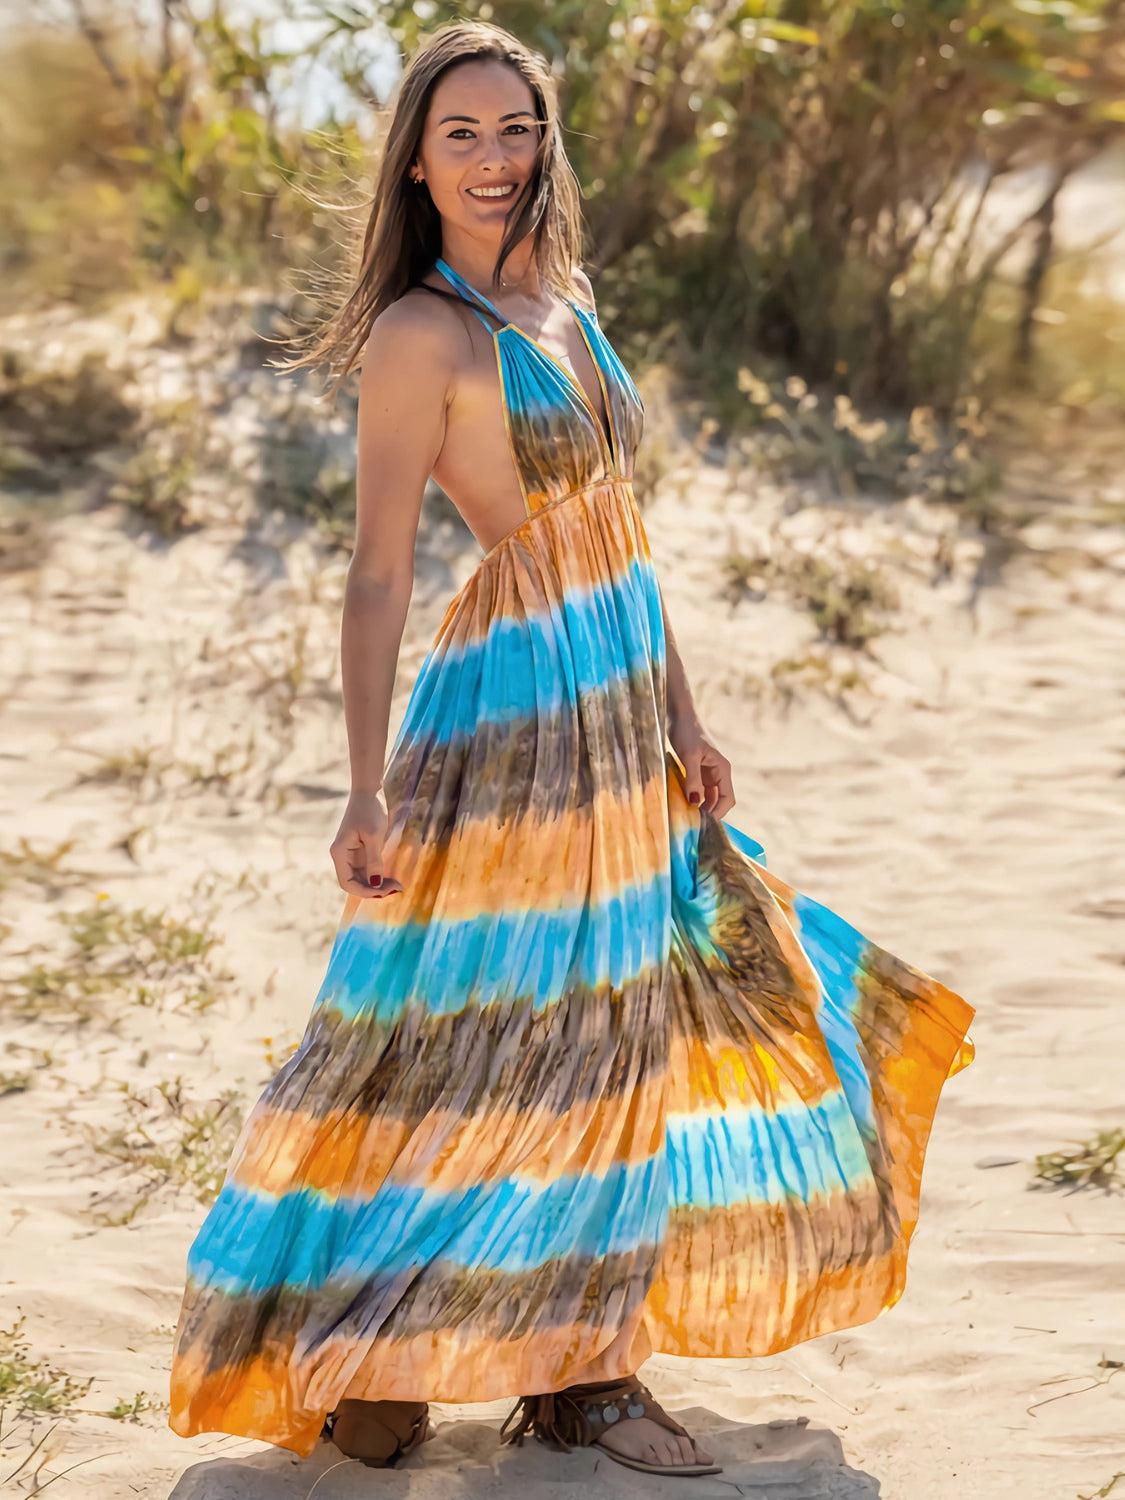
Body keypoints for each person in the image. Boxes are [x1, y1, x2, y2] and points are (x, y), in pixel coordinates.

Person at [167, 18, 976, 1482]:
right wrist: (360, 786)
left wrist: (683, 710)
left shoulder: (565, 303)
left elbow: (621, 532)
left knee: (610, 1025)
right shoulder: (421, 335)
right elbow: (375, 571)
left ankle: (573, 1375)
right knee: (467, 1028)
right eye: (461, 134)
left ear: (547, 143)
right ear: (413, 159)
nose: (493, 159)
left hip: (617, 704)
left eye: (517, 129)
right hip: (508, 713)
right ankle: (409, 1350)